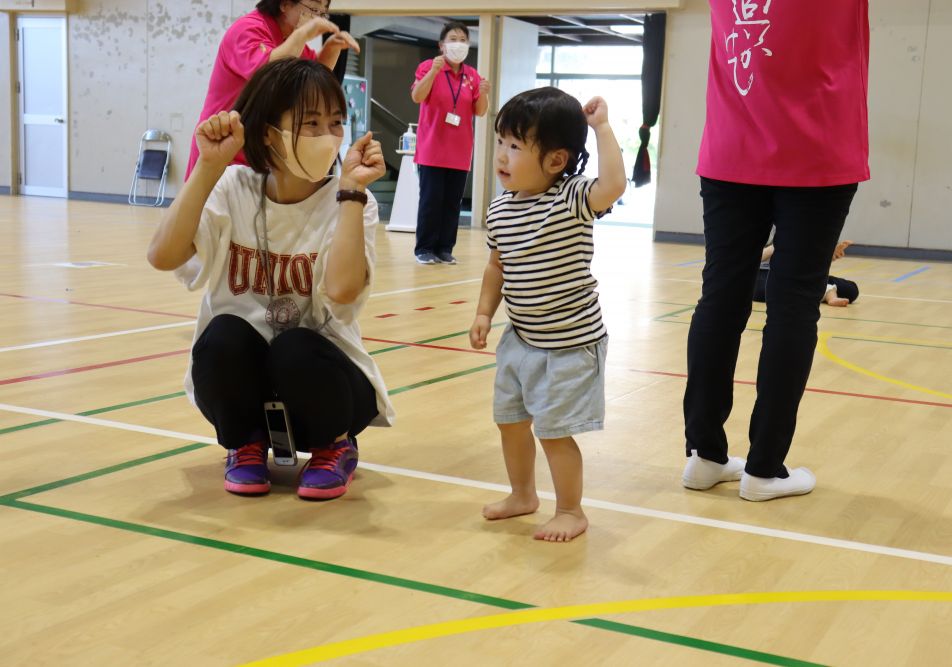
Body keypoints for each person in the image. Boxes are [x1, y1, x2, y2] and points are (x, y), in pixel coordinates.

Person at [148, 58, 393, 500]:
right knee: (223, 335)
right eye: (310, 124)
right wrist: (207, 167)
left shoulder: (353, 198)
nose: (328, 136)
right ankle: (245, 443)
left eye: (335, 123)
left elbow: (341, 291)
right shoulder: (233, 187)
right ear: (268, 133)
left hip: (327, 387)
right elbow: (163, 255)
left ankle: (332, 446)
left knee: (294, 345)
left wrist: (353, 193)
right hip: (244, 388)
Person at [681, 1, 870, 501]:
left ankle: (704, 456)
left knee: (720, 297)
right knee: (792, 305)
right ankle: (764, 468)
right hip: (816, 146)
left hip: (730, 148)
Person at [469, 88, 626, 541]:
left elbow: (613, 184)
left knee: (554, 432)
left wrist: (601, 128)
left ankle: (572, 510)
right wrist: (484, 312)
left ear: (556, 161)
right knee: (511, 421)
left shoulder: (573, 197)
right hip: (520, 339)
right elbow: (497, 267)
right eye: (501, 142)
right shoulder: (500, 208)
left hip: (571, 344)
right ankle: (523, 494)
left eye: (516, 146)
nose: (502, 155)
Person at [185, 0, 359, 179]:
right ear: (284, 4)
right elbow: (269, 74)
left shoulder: (290, 42)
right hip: (221, 147)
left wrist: (332, 47)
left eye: (322, 12)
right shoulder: (248, 29)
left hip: (259, 154)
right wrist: (303, 33)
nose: (317, 18)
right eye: (313, 9)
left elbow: (310, 83)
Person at [410, 20, 490, 265]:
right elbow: (417, 96)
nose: (459, 44)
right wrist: (434, 72)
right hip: (432, 149)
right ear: (442, 45)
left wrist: (484, 92)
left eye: (463, 40)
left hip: (460, 151)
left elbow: (480, 111)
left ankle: (445, 248)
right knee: (431, 201)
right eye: (453, 39)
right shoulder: (427, 67)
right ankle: (424, 248)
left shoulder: (472, 75)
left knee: (451, 204)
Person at [755, 240, 859, 307]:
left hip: (790, 272)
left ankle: (817, 290)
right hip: (758, 273)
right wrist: (776, 247)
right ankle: (827, 293)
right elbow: (744, 259)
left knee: (851, 290)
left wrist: (828, 256)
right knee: (767, 290)